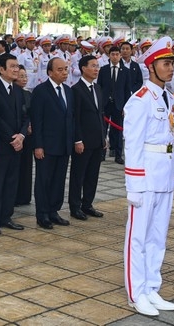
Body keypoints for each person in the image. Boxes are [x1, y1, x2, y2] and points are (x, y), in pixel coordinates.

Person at [123, 36, 174, 316]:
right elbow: (133, 144)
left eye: (172, 64)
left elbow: (166, 139)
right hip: (145, 178)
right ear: (152, 66)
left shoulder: (167, 97)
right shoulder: (140, 100)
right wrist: (134, 184)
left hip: (165, 174)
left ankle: (152, 288)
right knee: (138, 238)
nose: (171, 69)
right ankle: (136, 292)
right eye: (166, 64)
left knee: (158, 237)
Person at [0, 53, 29, 235]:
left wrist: (22, 135)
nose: (16, 69)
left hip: (17, 144)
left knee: (11, 182)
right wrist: (12, 137)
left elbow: (25, 116)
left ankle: (6, 216)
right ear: (1, 69)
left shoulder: (17, 89)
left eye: (17, 66)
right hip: (1, 144)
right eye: (12, 66)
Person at [30, 57, 75, 230]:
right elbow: (37, 120)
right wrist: (38, 145)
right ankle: (42, 214)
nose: (64, 73)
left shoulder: (68, 91)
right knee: (44, 181)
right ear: (50, 72)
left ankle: (53, 211)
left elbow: (70, 118)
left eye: (66, 69)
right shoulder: (41, 91)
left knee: (58, 180)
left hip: (64, 145)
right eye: (60, 70)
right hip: (46, 146)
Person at [69, 55, 105, 221]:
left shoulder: (97, 88)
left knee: (93, 175)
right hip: (83, 140)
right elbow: (74, 118)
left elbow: (100, 114)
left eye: (97, 66)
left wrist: (104, 136)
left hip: (97, 139)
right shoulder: (76, 90)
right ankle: (75, 206)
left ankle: (87, 204)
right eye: (93, 66)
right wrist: (77, 139)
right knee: (79, 175)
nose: (96, 69)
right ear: (83, 68)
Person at [98, 46, 131, 165]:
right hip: (105, 104)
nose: (115, 56)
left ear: (120, 56)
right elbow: (99, 88)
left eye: (117, 54)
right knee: (103, 129)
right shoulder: (104, 70)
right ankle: (102, 153)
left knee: (118, 131)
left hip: (119, 104)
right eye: (113, 54)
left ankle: (118, 154)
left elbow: (127, 90)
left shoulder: (125, 71)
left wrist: (125, 107)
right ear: (109, 56)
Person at [15, 65, 33, 206]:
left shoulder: (28, 94)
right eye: (21, 76)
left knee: (27, 166)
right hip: (16, 134)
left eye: (25, 76)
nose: (24, 79)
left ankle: (24, 196)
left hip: (28, 135)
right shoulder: (14, 93)